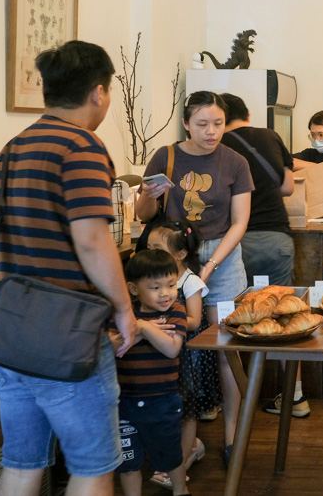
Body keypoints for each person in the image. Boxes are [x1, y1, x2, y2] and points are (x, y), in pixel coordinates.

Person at [0, 40, 137, 496]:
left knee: (22, 464)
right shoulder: (82, 147)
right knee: (92, 467)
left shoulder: (12, 148)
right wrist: (124, 309)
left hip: (7, 332)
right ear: (99, 93)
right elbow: (92, 239)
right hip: (65, 338)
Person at [135, 91, 253, 466]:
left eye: (218, 123)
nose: (212, 131)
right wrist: (149, 196)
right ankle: (184, 441)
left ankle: (233, 432)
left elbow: (240, 222)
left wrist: (211, 265)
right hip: (173, 258)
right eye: (202, 124)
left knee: (226, 348)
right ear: (186, 123)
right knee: (176, 342)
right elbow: (143, 214)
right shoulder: (165, 156)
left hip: (223, 258)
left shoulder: (235, 161)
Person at [219, 93, 308, 418]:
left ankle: (232, 401)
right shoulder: (270, 136)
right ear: (248, 113)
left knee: (232, 317)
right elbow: (287, 188)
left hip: (234, 243)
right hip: (275, 238)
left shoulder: (216, 147)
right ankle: (295, 398)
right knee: (285, 316)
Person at [110, 249, 189, 496]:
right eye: (155, 287)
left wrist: (140, 326)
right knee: (128, 462)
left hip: (162, 399)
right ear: (134, 289)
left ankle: (180, 490)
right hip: (124, 402)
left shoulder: (176, 310)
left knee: (170, 455)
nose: (165, 293)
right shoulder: (122, 313)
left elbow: (172, 348)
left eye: (171, 284)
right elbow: (113, 349)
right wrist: (143, 330)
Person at [145, 222, 210, 489]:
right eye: (148, 248)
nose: (151, 254)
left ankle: (180, 463)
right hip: (162, 354)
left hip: (187, 356)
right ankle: (176, 457)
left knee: (188, 410)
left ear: (181, 254)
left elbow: (195, 320)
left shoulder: (190, 281)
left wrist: (172, 317)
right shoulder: (151, 280)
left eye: (157, 249)